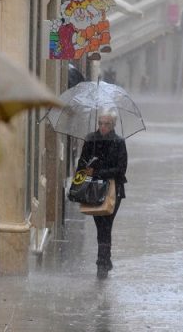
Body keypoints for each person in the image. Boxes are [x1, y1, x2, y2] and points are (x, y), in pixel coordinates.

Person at [76, 108, 128, 279]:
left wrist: (99, 172)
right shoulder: (91, 139)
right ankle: (105, 259)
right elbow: (82, 163)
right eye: (101, 123)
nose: (103, 127)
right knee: (101, 226)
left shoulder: (119, 142)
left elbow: (121, 169)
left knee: (106, 224)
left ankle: (102, 262)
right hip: (94, 189)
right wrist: (81, 178)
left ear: (113, 125)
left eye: (107, 124)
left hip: (114, 189)